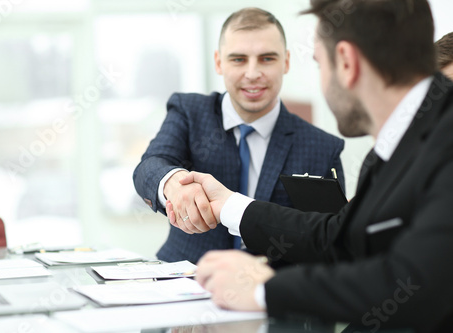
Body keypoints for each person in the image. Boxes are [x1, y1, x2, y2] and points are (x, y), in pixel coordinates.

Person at [169, 0, 453, 331]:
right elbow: (336, 237)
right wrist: (229, 205)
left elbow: (415, 282)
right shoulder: (395, 145)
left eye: (319, 64)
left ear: (346, 62)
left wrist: (263, 289)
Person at [133, 7, 345, 264]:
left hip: (268, 290)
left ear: (286, 62)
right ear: (219, 62)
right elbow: (150, 166)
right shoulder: (189, 112)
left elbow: (330, 239)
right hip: (186, 278)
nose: (253, 73)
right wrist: (173, 183)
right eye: (238, 59)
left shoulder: (323, 148)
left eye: (267, 59)